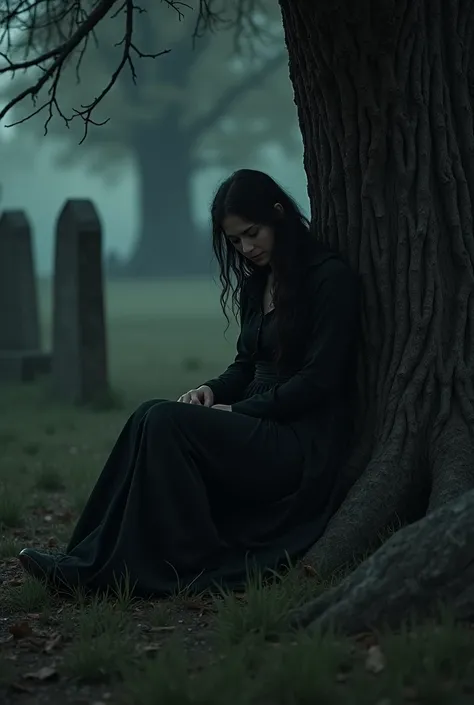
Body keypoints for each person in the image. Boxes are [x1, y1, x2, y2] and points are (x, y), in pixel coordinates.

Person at [18, 169, 360, 596]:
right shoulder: (261, 283)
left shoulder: (329, 279)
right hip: (255, 423)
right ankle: (82, 558)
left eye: (253, 233)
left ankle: (133, 568)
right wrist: (212, 391)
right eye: (236, 241)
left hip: (300, 439)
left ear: (279, 214)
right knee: (148, 414)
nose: (247, 248)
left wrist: (237, 411)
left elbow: (319, 381)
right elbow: (246, 365)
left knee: (165, 421)